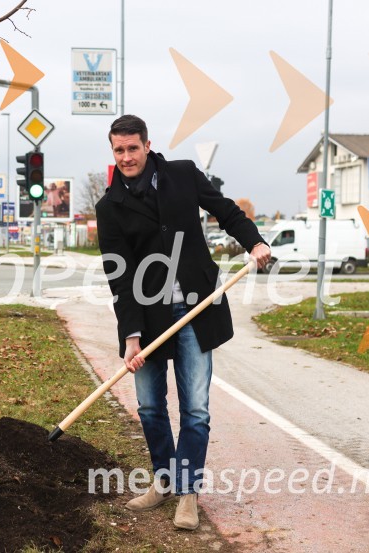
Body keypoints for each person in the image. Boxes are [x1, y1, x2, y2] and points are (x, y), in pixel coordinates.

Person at [95, 114, 270, 530]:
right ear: (113, 151)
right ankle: (163, 481)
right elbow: (120, 277)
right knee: (150, 406)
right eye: (118, 150)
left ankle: (187, 492)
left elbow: (226, 212)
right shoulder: (109, 207)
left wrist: (255, 241)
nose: (126, 157)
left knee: (195, 408)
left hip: (197, 307)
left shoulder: (183, 174)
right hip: (147, 318)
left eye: (132, 148)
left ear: (147, 145)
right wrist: (131, 337)